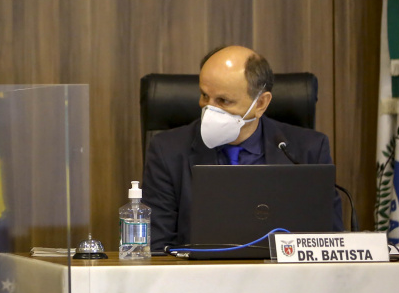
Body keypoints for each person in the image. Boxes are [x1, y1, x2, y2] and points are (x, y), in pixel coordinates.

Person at [142, 46, 344, 252]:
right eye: (204, 95)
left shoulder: (309, 150)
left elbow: (331, 243)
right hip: (199, 279)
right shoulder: (167, 151)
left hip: (284, 279)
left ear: (261, 104)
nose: (209, 109)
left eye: (223, 101)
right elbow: (158, 248)